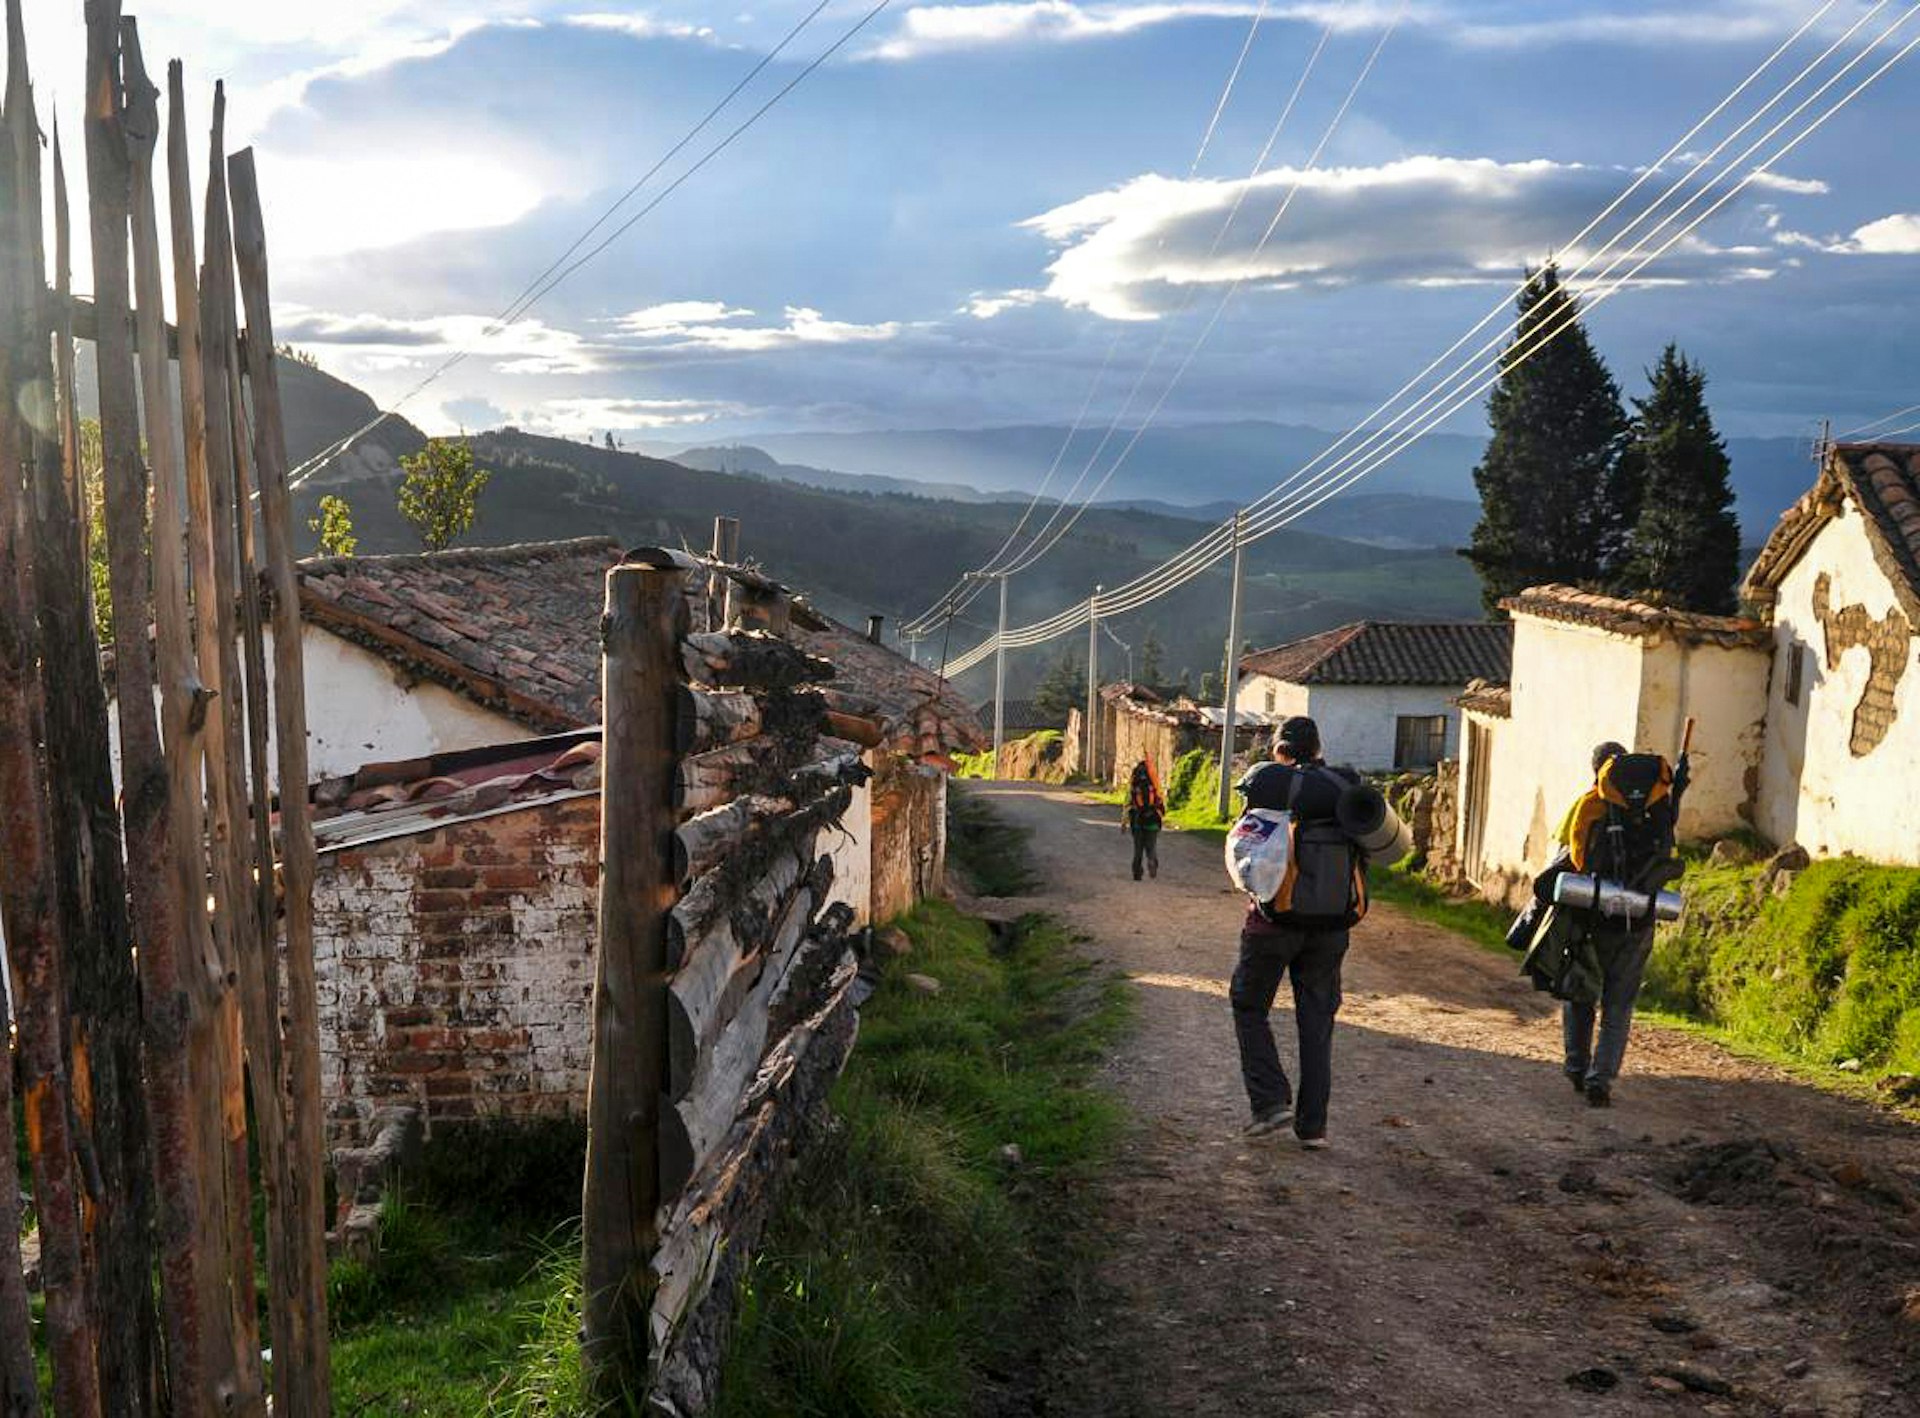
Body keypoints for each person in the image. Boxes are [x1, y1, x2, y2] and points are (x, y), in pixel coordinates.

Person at [1229, 716, 1366, 1149]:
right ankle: (1314, 1128)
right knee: (1317, 1020)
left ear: (1280, 749)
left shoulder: (1269, 784)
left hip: (1273, 923)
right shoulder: (1345, 787)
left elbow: (1247, 847)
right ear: (1318, 747)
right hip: (1331, 926)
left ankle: (1270, 1103)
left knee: (1249, 1004)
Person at [1530, 739, 1686, 1108]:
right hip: (1639, 917)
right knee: (1619, 1002)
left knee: (1581, 991)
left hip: (1591, 916)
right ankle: (1602, 1078)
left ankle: (1576, 1065)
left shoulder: (1589, 805)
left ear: (1598, 771)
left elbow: (1574, 859)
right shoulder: (1659, 806)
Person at [1122, 759, 1164, 881]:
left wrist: (1124, 822)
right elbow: (1161, 802)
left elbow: (1127, 804)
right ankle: (1152, 861)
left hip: (1137, 821)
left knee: (1138, 849)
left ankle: (1137, 872)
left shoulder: (1134, 785)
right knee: (1151, 847)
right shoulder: (1154, 784)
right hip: (1152, 821)